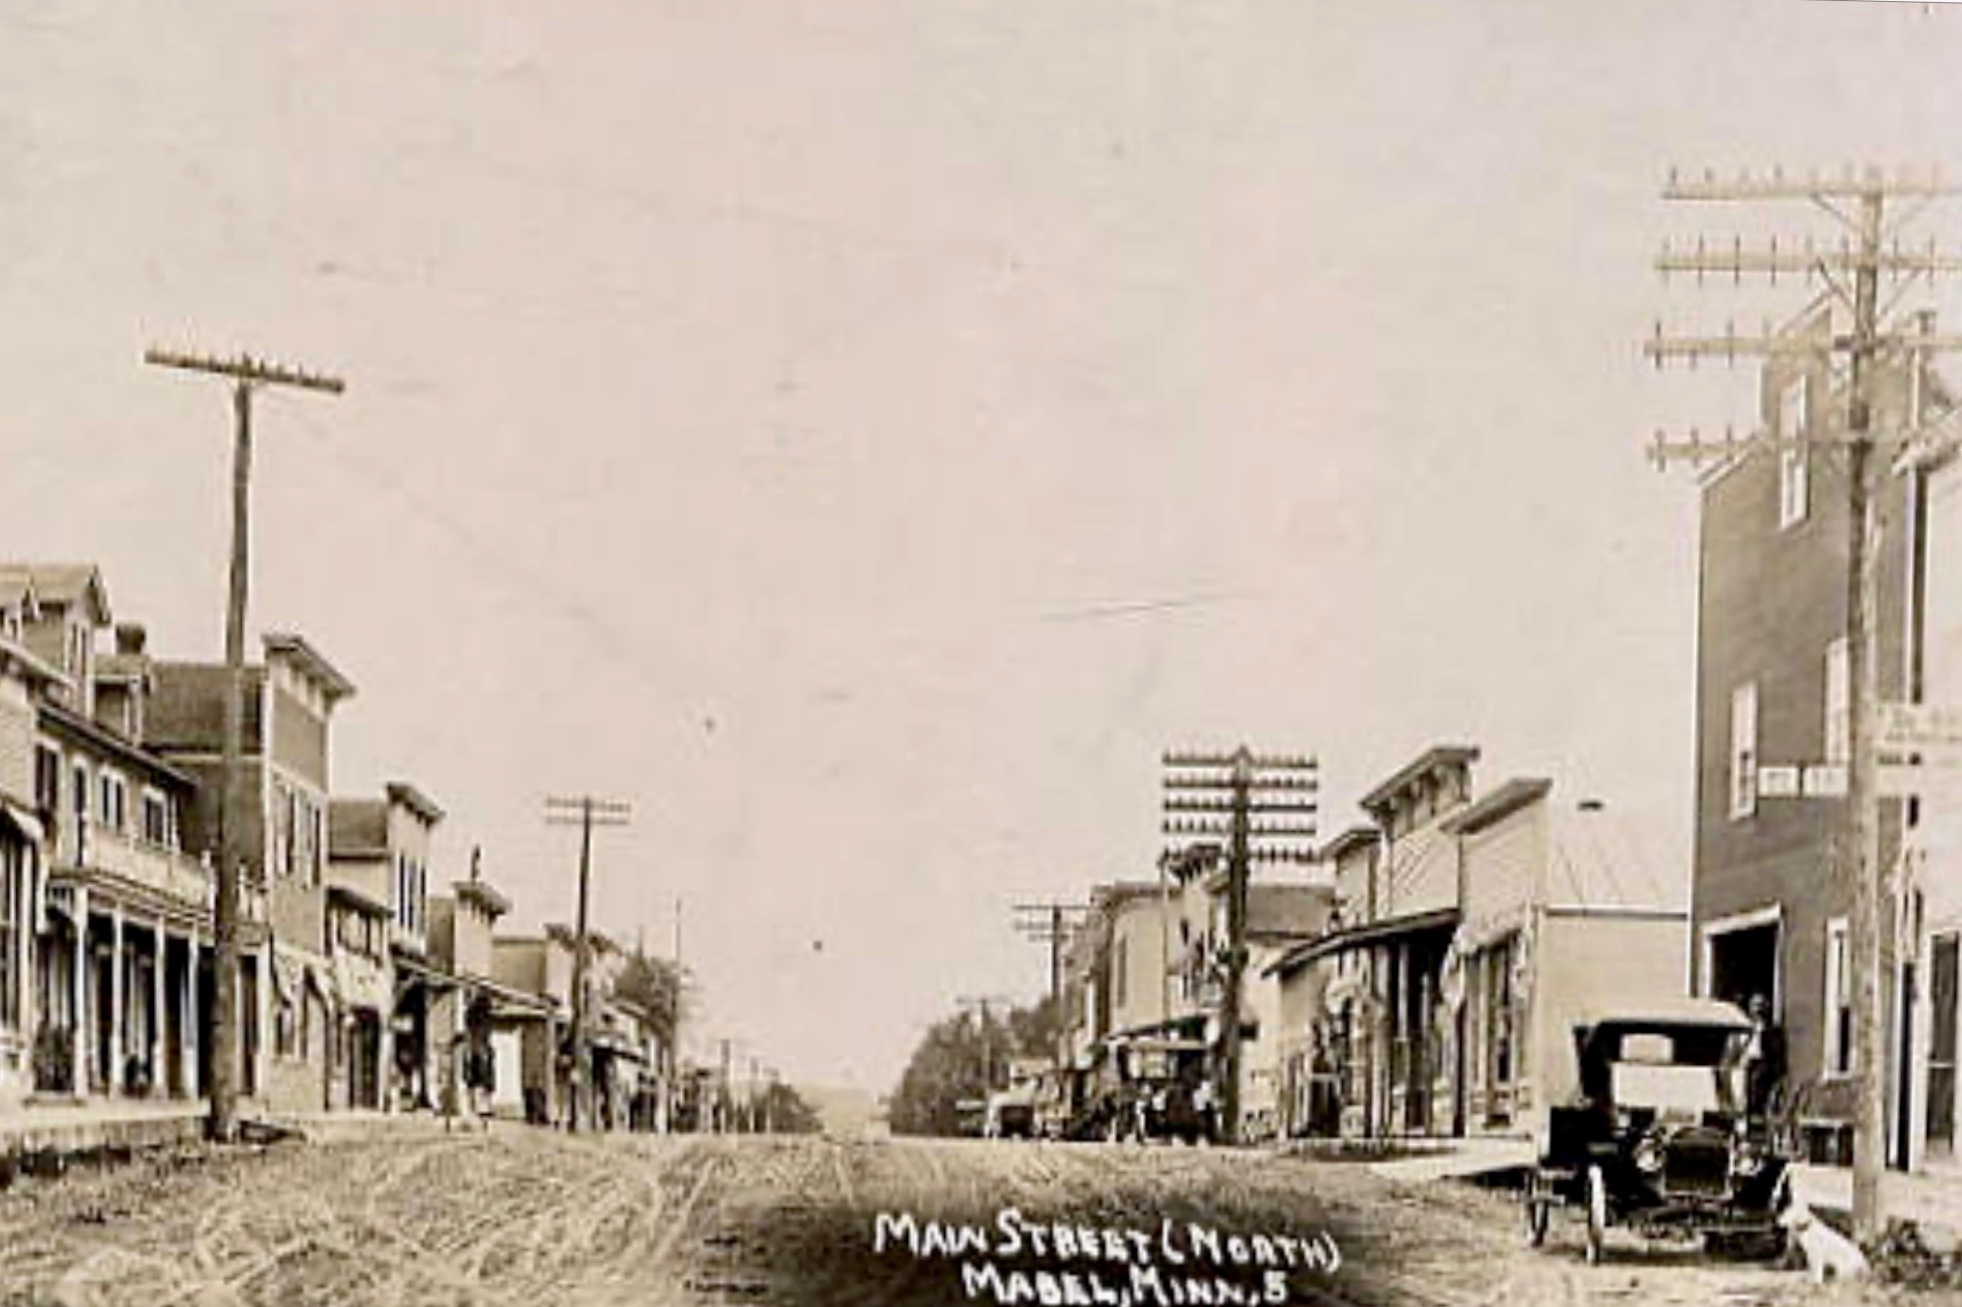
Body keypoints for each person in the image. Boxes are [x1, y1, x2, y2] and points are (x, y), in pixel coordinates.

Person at [1743, 993, 1787, 1119]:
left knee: (1759, 1096)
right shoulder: (1744, 1027)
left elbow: (1778, 1056)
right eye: (1755, 1006)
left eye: (1761, 1006)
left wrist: (1779, 1079)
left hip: (1762, 1066)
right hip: (1745, 1066)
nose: (1758, 1010)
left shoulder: (1773, 1031)